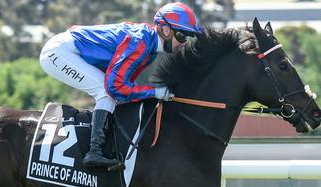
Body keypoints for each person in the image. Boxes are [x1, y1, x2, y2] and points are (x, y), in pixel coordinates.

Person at [40, 2, 203, 168]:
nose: (184, 43)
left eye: (188, 37)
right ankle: (94, 152)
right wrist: (154, 92)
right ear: (166, 30)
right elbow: (116, 88)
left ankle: (101, 143)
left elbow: (127, 86)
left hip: (69, 48)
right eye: (182, 36)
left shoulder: (150, 47)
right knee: (106, 91)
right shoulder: (141, 42)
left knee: (109, 93)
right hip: (58, 52)